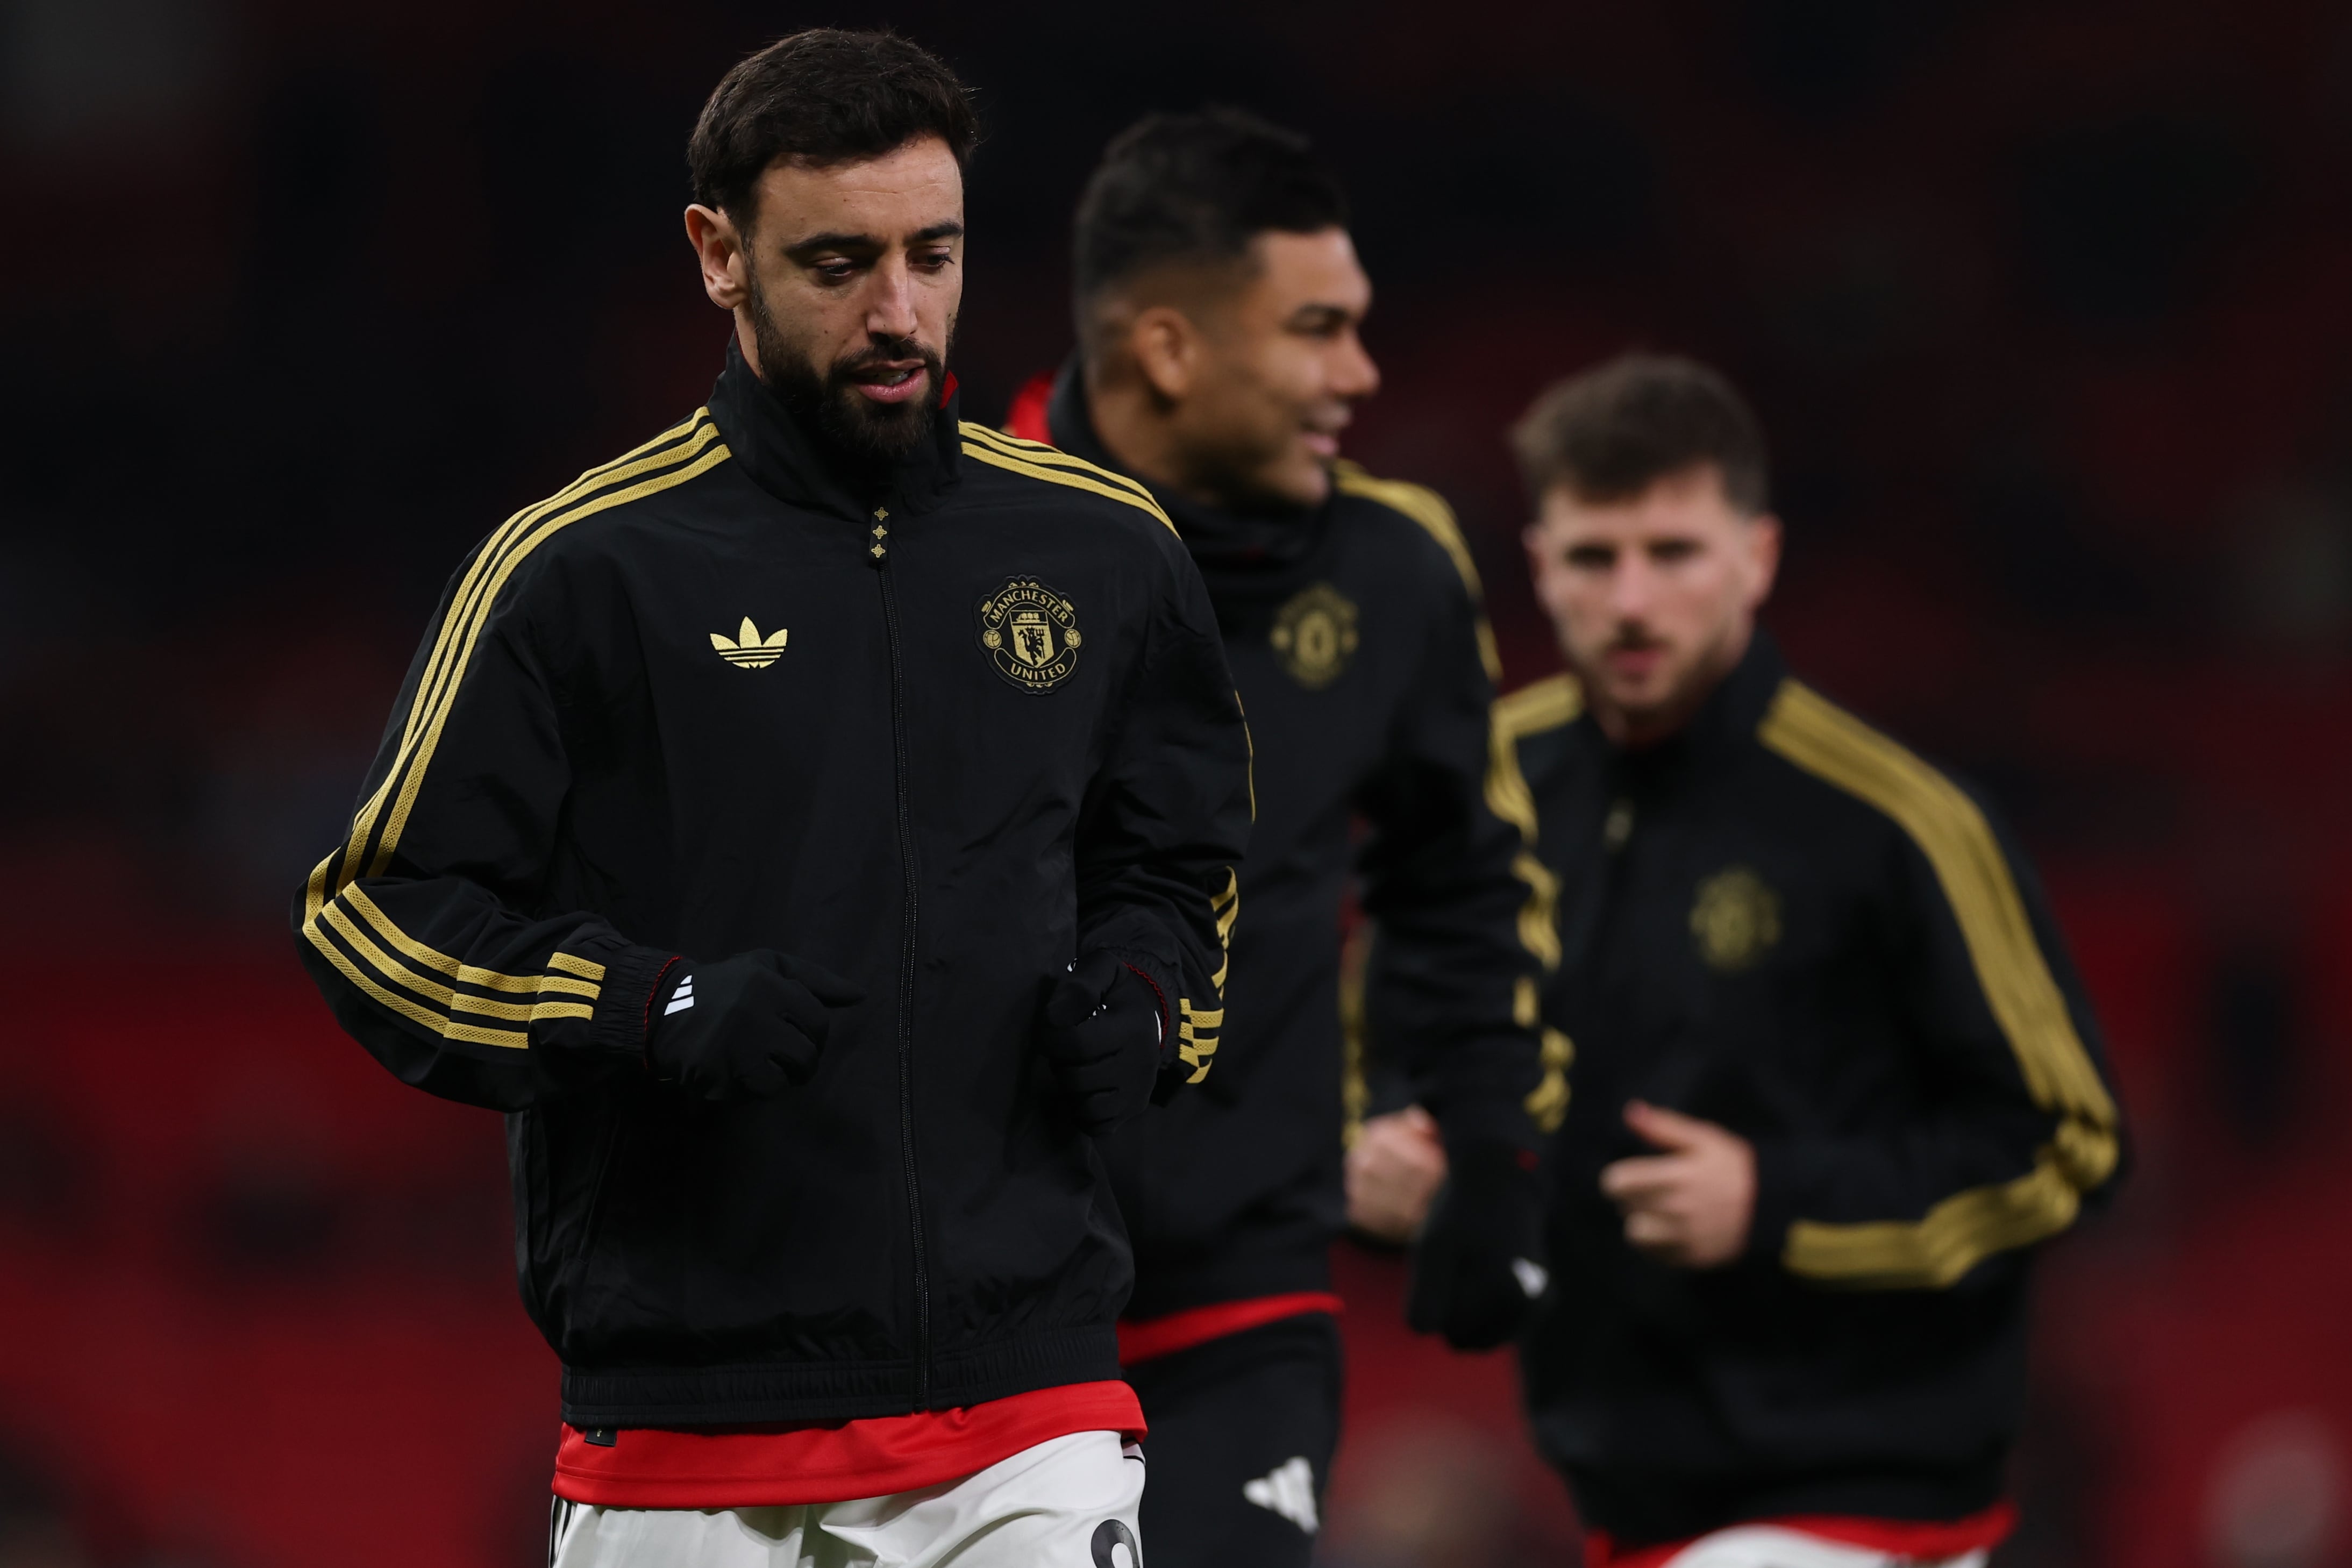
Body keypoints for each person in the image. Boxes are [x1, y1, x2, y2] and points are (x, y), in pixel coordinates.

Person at [290, 31, 1253, 1567]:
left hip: (1031, 1408)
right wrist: (647, 1007)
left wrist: (1145, 994)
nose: (898, 313)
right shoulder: (575, 569)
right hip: (682, 1437)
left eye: (930, 254)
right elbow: (370, 920)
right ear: (715, 255)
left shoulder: (1105, 551)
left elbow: (1185, 859)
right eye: (837, 262)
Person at [1004, 109, 1558, 1567]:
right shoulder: (931, 542)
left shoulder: (1394, 570)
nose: (1359, 376)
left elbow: (1459, 885)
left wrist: (1480, 1140)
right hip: (960, 1317)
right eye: (1314, 330)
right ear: (1169, 348)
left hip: (1236, 1306)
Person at [1481, 352, 2122, 1566]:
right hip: (1624, 1496)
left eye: (1672, 553)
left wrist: (1777, 1204)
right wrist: (1395, 1157)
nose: (1631, 600)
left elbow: (2069, 1141)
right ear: (1538, 565)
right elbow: (1391, 1057)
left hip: (1871, 1505)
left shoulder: (1899, 823)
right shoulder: (1490, 788)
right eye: (1592, 556)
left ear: (1757, 559)